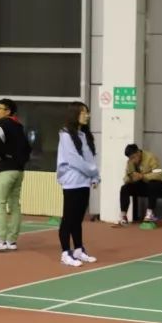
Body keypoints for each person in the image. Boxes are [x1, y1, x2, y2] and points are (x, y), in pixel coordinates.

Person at [0, 99, 31, 253]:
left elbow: (0, 143)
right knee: (15, 204)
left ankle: (0, 240)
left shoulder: (2, 124)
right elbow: (28, 147)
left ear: (8, 111)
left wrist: (3, 157)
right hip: (19, 171)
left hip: (6, 170)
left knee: (0, 204)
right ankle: (11, 240)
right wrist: (20, 161)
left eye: (0, 108)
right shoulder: (19, 126)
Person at [56, 101, 99, 267]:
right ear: (74, 114)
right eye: (83, 112)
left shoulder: (84, 135)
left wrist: (95, 177)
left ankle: (79, 250)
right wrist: (93, 172)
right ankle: (65, 253)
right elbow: (75, 160)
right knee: (68, 218)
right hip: (72, 182)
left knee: (78, 219)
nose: (87, 115)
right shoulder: (65, 135)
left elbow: (89, 158)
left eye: (87, 112)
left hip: (84, 182)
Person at [119, 143, 162, 224]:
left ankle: (149, 214)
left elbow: (159, 174)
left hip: (159, 185)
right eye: (130, 158)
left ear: (138, 152)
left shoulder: (151, 157)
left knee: (153, 184)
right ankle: (123, 216)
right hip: (144, 186)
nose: (132, 160)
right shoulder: (130, 162)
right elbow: (126, 178)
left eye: (133, 157)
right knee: (124, 188)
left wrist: (142, 176)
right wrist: (131, 178)